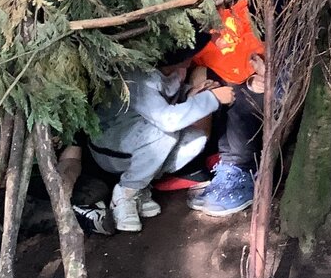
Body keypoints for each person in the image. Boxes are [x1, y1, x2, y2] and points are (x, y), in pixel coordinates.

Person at [66, 34, 235, 232]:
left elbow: (168, 101)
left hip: (138, 137)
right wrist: (212, 99)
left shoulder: (175, 71)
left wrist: (192, 94)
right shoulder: (138, 76)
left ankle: (141, 185)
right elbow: (167, 120)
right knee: (164, 133)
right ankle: (126, 193)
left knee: (195, 139)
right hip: (111, 144)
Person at [185, 0, 267, 217]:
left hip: (256, 77)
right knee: (210, 85)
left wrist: (260, 73)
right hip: (227, 79)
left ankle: (244, 170)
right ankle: (225, 168)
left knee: (251, 91)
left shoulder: (249, 6)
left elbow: (261, 51)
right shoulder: (206, 11)